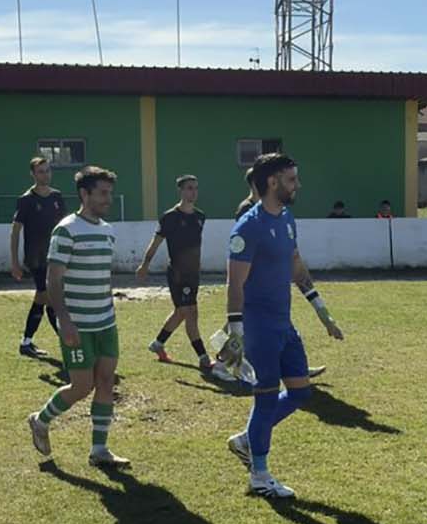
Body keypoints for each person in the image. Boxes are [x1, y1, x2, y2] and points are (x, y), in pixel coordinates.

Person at [219, 153, 344, 498]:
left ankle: (247, 439)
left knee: (301, 391)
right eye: (291, 179)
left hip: (284, 323)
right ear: (272, 182)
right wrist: (237, 331)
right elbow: (234, 283)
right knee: (266, 398)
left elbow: (295, 263)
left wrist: (321, 310)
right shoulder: (247, 227)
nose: (297, 185)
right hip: (258, 327)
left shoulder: (287, 218)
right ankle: (259, 476)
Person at [26, 166, 128, 468]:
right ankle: (40, 419)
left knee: (107, 381)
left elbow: (103, 277)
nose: (108, 199)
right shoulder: (66, 229)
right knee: (82, 386)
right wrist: (64, 321)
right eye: (103, 193)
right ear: (85, 194)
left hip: (105, 322)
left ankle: (99, 450)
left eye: (110, 192)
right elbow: (53, 281)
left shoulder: (108, 231)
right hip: (78, 324)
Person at [136, 174, 212, 371]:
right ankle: (203, 357)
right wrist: (145, 265)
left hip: (193, 274)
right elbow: (156, 242)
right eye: (189, 188)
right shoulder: (169, 217)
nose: (193, 192)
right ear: (181, 190)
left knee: (180, 312)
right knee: (191, 313)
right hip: (178, 274)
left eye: (195, 188)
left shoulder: (200, 217)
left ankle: (158, 343)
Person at [10, 156, 67, 357]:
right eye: (41, 171)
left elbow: (65, 227)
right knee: (49, 297)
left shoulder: (57, 197)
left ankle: (26, 342)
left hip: (56, 257)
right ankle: (66, 341)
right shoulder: (26, 199)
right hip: (36, 257)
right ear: (33, 174)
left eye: (48, 170)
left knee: (43, 298)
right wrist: (15, 262)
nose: (45, 174)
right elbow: (15, 231)